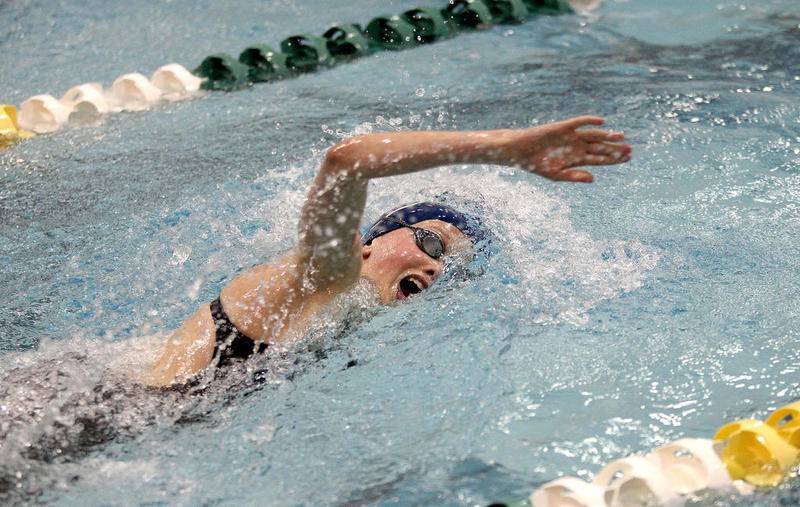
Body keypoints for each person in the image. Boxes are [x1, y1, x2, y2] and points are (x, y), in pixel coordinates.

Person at [144, 116, 631, 386]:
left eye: (450, 267)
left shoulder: (338, 318)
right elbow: (347, 160)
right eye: (431, 241)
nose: (436, 267)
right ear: (373, 242)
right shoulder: (326, 274)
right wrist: (504, 148)